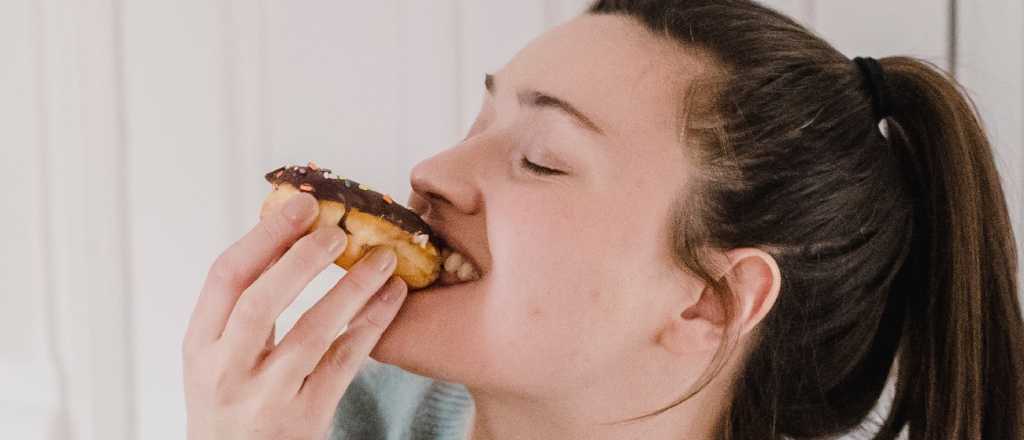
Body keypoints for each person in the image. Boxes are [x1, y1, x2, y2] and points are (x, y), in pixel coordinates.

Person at [182, 1, 1024, 439]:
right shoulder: (335, 421)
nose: (431, 174)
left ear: (709, 304)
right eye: (480, 123)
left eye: (540, 158)